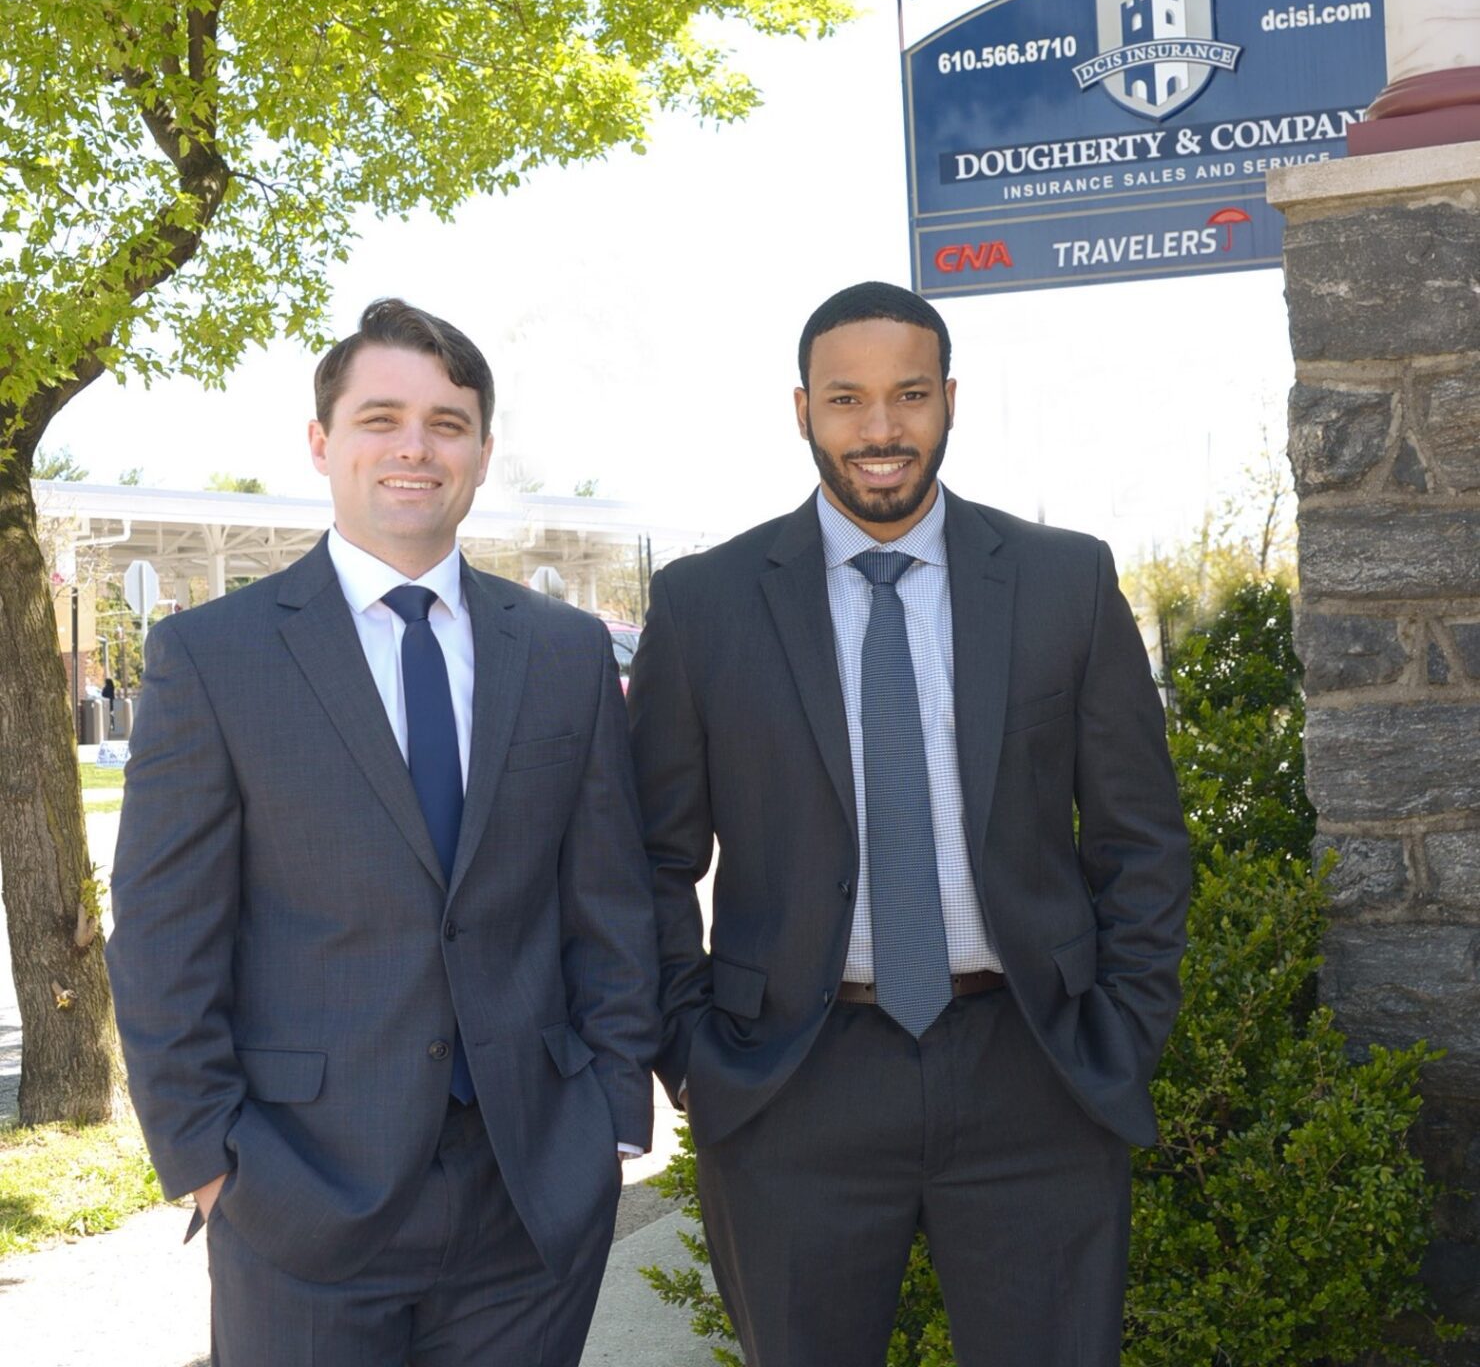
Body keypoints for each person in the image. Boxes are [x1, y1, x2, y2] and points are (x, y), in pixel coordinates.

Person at [627, 280, 1189, 1367]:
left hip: (1032, 1065)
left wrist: (1122, 1026)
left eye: (909, 396)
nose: (880, 430)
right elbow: (651, 859)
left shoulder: (1062, 581)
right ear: (801, 410)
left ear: (949, 403)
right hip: (792, 1079)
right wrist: (690, 1051)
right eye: (846, 400)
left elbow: (1139, 837)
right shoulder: (707, 604)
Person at [108, 299, 658, 1365]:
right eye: (380, 418)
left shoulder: (562, 652)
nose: (415, 446)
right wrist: (210, 1161)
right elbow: (163, 936)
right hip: (299, 1195)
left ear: (483, 453)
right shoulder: (211, 657)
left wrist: (610, 1118)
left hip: (533, 1192)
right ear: (322, 442)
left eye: (447, 423)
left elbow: (611, 901)